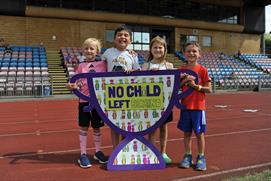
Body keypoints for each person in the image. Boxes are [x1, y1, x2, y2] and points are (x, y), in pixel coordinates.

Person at [66, 38, 108, 168]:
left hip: (98, 102)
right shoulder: (80, 66)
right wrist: (71, 85)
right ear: (83, 50)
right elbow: (75, 82)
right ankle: (83, 154)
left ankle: (97, 151)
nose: (89, 51)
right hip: (84, 101)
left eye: (92, 48)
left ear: (97, 51)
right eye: (86, 48)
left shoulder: (103, 64)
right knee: (84, 127)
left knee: (97, 127)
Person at [101, 25, 141, 149]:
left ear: (130, 40)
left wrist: (132, 70)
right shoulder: (108, 52)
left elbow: (138, 71)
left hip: (128, 93)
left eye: (126, 35)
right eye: (119, 35)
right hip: (112, 93)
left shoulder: (133, 55)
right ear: (114, 39)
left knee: (127, 123)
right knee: (114, 123)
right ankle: (115, 149)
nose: (122, 37)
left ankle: (125, 148)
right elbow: (100, 67)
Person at [178, 42, 212, 171]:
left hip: (198, 107)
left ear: (199, 54)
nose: (191, 53)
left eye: (194, 51)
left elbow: (209, 89)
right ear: (184, 53)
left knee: (199, 133)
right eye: (188, 51)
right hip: (185, 106)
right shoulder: (181, 70)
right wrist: (184, 81)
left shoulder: (203, 70)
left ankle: (201, 157)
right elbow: (177, 87)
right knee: (187, 133)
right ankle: (187, 155)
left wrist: (195, 86)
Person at [141, 36, 174, 164]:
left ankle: (163, 152)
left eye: (160, 47)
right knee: (152, 127)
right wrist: (149, 73)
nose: (158, 49)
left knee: (163, 127)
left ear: (164, 49)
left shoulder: (169, 65)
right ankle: (151, 151)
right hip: (150, 102)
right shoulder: (145, 65)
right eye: (155, 47)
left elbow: (172, 83)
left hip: (166, 102)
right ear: (151, 49)